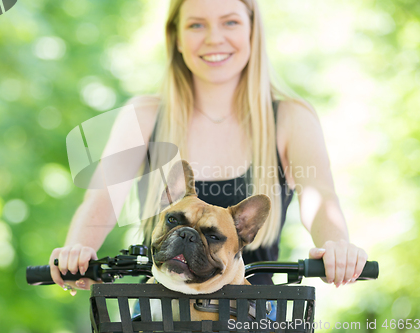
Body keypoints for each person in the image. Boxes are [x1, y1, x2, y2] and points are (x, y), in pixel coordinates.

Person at [49, 0, 368, 293]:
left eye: (230, 22)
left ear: (253, 31)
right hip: (157, 312)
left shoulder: (290, 118)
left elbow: (320, 196)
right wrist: (78, 250)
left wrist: (336, 246)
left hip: (252, 314)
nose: (214, 38)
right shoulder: (144, 116)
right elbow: (104, 198)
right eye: (196, 25)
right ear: (176, 37)